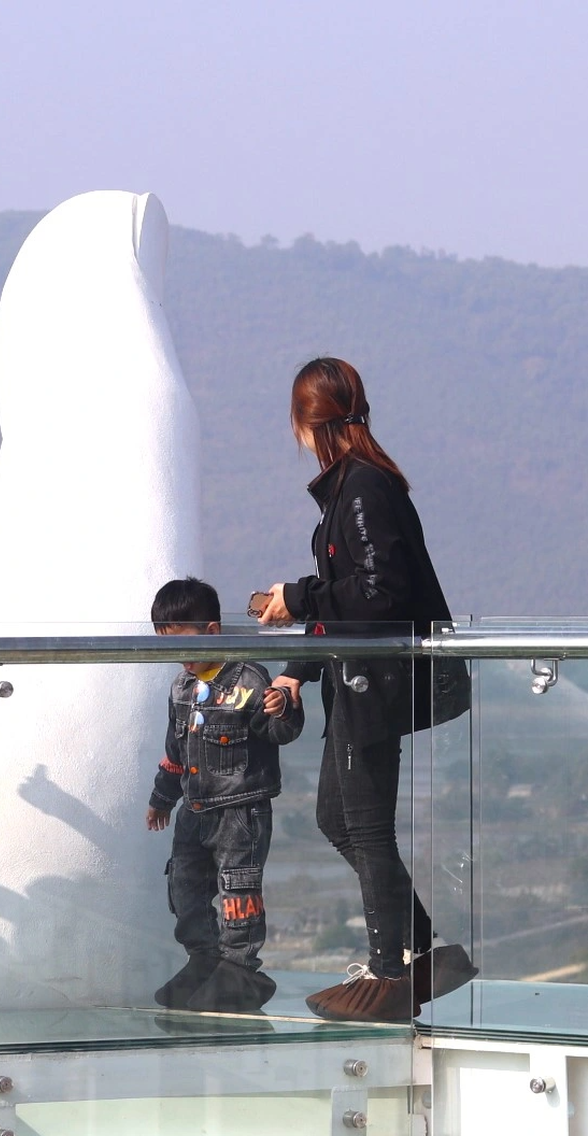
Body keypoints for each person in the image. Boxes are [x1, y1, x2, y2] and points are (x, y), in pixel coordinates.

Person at [254, 357, 476, 1022]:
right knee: (338, 818)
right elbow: (354, 599)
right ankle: (415, 947)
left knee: (366, 828)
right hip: (358, 678)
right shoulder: (358, 486)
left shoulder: (360, 491)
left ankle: (392, 970)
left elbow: (379, 595)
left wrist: (297, 597)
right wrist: (300, 664)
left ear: (305, 423)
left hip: (374, 683)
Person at [145, 578, 303, 1013]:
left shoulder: (249, 678)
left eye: (185, 644)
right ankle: (204, 957)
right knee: (184, 886)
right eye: (169, 648)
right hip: (194, 809)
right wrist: (162, 798)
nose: (181, 658)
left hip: (240, 810)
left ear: (212, 631)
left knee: (238, 889)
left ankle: (240, 969)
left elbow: (277, 733)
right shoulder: (180, 689)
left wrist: (285, 708)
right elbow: (175, 751)